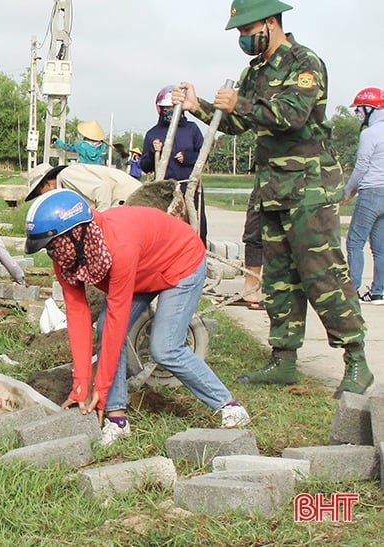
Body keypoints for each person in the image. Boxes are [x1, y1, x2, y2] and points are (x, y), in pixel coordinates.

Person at [173, 0, 373, 396]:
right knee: (279, 280)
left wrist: (241, 103)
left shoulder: (304, 63)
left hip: (308, 190)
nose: (243, 40)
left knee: (323, 275)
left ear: (269, 23)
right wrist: (201, 107)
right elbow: (239, 123)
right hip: (273, 190)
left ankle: (356, 360)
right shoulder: (255, 72)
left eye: (247, 32)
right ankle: (283, 359)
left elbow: (292, 115)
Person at [24, 189, 250, 445]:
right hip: (141, 272)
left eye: (53, 245)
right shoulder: (67, 254)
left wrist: (99, 389)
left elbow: (117, 324)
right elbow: (77, 316)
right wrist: (81, 385)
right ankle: (117, 420)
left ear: (77, 233)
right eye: (47, 249)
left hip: (180, 261)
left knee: (165, 348)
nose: (52, 254)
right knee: (104, 333)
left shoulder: (119, 246)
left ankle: (230, 406)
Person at [140, 84, 208, 242]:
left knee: (196, 227)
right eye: (166, 107)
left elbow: (204, 156)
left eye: (173, 107)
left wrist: (188, 157)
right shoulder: (152, 134)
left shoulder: (192, 129)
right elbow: (145, 166)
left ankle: (199, 258)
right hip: (165, 191)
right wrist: (153, 151)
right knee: (166, 232)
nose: (170, 110)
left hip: (190, 188)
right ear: (160, 109)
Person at [345, 87, 384, 305]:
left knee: (355, 242)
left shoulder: (370, 133)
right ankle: (378, 292)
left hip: (371, 192)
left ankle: (352, 290)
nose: (358, 114)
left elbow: (361, 166)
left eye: (359, 110)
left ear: (369, 107)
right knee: (380, 247)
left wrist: (348, 190)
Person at [25, 161, 141, 211]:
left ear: (47, 183)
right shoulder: (66, 189)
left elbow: (102, 189)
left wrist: (101, 222)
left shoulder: (66, 175)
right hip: (124, 201)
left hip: (129, 197)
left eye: (40, 193)